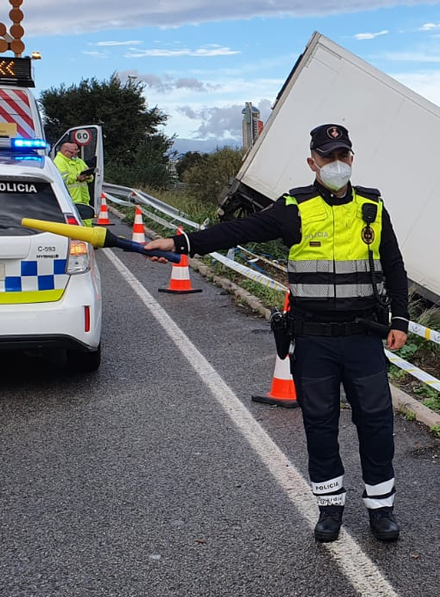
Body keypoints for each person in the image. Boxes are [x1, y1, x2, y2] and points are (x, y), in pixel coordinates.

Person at [144, 123, 410, 543]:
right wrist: (182, 243)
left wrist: (400, 321)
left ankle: (381, 509)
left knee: (376, 424)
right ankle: (330, 507)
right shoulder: (295, 207)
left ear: (352, 159)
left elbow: (393, 265)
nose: (336, 163)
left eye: (343, 155)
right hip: (314, 339)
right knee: (319, 424)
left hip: (363, 337)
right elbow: (239, 231)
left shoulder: (373, 207)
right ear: (313, 162)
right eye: (328, 157)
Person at [54, 142, 94, 225]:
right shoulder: (59, 161)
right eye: (72, 152)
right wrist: (77, 177)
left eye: (76, 150)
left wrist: (88, 177)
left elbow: (90, 176)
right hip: (70, 199)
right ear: (65, 151)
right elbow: (63, 179)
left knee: (87, 224)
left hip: (83, 198)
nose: (75, 154)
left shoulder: (79, 161)